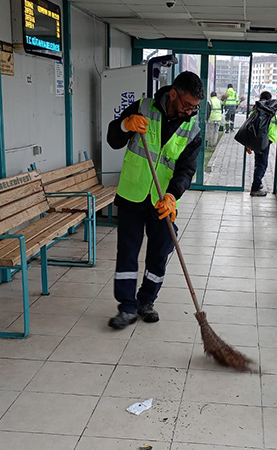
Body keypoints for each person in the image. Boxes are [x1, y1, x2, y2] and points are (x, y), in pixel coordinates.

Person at [105, 71, 204, 329]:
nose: (190, 112)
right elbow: (113, 139)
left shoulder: (192, 130)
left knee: (159, 253)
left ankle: (145, 301)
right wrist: (126, 125)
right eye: (187, 105)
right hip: (132, 195)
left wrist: (172, 196)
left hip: (163, 202)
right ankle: (126, 307)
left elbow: (186, 169)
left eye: (195, 107)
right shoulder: (142, 108)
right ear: (173, 94)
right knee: (127, 252)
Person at [246, 91, 277, 197]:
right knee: (262, 164)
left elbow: (249, 126)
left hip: (256, 141)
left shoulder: (255, 109)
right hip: (265, 140)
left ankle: (258, 184)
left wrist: (249, 143)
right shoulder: (268, 110)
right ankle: (255, 188)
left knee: (258, 163)